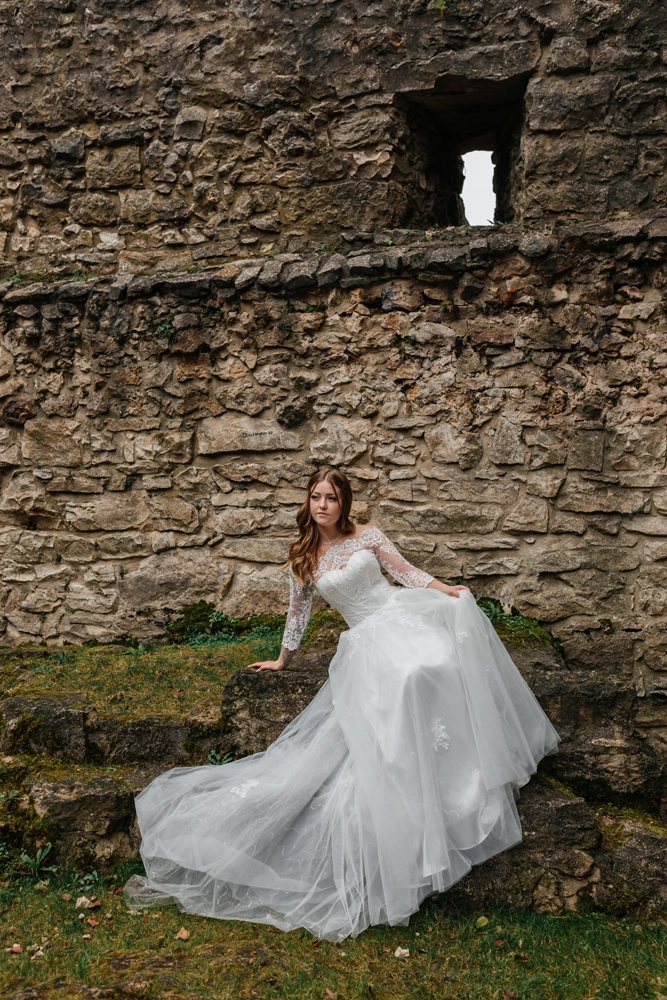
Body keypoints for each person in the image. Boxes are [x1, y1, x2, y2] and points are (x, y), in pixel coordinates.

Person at [125, 469, 559, 941]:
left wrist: (445, 590)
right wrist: (282, 658)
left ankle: (464, 764)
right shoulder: (304, 556)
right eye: (316, 497)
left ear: (344, 503)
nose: (322, 505)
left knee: (430, 664)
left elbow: (405, 572)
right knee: (405, 679)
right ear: (308, 502)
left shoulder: (368, 536)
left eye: (331, 498)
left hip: (400, 615)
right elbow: (298, 612)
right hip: (365, 641)